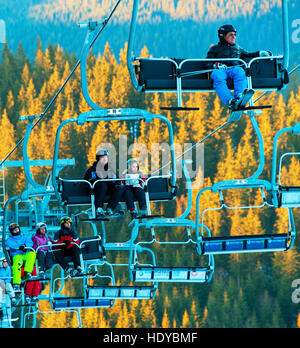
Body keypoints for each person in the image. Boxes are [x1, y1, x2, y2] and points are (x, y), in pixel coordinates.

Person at [206, 24, 272, 109]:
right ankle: (230, 100)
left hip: (233, 69)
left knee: (239, 71)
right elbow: (206, 63)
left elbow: (248, 55)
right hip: (221, 70)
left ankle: (239, 97)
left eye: (234, 35)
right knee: (217, 75)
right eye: (231, 34)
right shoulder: (215, 49)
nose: (234, 37)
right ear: (223, 36)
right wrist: (216, 65)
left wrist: (260, 53)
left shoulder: (237, 48)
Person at [84, 149, 125, 217]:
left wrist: (116, 184)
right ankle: (99, 208)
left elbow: (117, 179)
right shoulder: (93, 169)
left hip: (108, 189)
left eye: (106, 157)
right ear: (98, 159)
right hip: (97, 191)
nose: (105, 159)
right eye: (102, 157)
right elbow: (89, 180)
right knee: (102, 185)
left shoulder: (110, 169)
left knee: (120, 188)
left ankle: (110, 208)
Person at [5, 223, 36, 291]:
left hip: (25, 254)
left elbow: (30, 242)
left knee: (32, 254)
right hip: (17, 254)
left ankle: (27, 272)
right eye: (14, 230)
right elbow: (10, 244)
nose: (16, 231)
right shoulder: (10, 239)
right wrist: (19, 247)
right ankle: (16, 283)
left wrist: (25, 245)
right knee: (17, 265)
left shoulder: (24, 237)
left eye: (17, 229)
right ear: (11, 232)